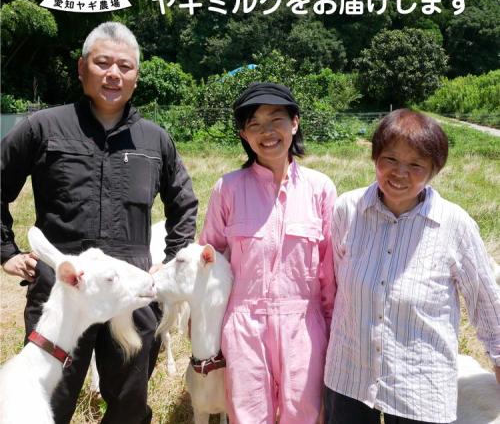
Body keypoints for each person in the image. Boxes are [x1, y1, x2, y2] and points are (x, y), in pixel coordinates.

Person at [0, 22, 198, 424]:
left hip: (131, 289)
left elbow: (184, 204)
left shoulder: (155, 140)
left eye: (125, 66)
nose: (113, 74)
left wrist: (169, 261)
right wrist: (5, 250)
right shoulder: (44, 127)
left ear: (136, 75)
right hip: (64, 289)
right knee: (48, 400)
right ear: (82, 68)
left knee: (129, 403)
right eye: (103, 63)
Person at [324, 109, 500, 424]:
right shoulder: (347, 209)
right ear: (375, 158)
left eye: (416, 165)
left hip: (419, 386)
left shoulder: (455, 225)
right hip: (350, 373)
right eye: (390, 159)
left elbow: (488, 308)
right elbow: (340, 287)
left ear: (433, 170)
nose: (400, 173)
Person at [199, 82, 337, 423]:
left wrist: (332, 329)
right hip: (243, 323)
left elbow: (330, 270)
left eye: (276, 120)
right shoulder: (227, 188)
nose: (267, 132)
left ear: (295, 123)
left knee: (305, 414)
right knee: (247, 416)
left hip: (305, 323)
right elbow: (208, 261)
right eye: (255, 124)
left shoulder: (320, 188)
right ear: (244, 134)